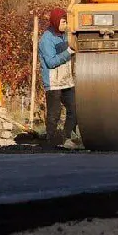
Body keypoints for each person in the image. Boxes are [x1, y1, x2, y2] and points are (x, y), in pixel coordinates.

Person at [39, 8, 77, 148]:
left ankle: (66, 137)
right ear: (55, 21)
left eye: (66, 21)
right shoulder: (46, 40)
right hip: (53, 82)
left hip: (66, 80)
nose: (65, 24)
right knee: (54, 113)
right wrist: (69, 52)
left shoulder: (65, 35)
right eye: (63, 21)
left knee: (74, 109)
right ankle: (51, 140)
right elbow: (51, 62)